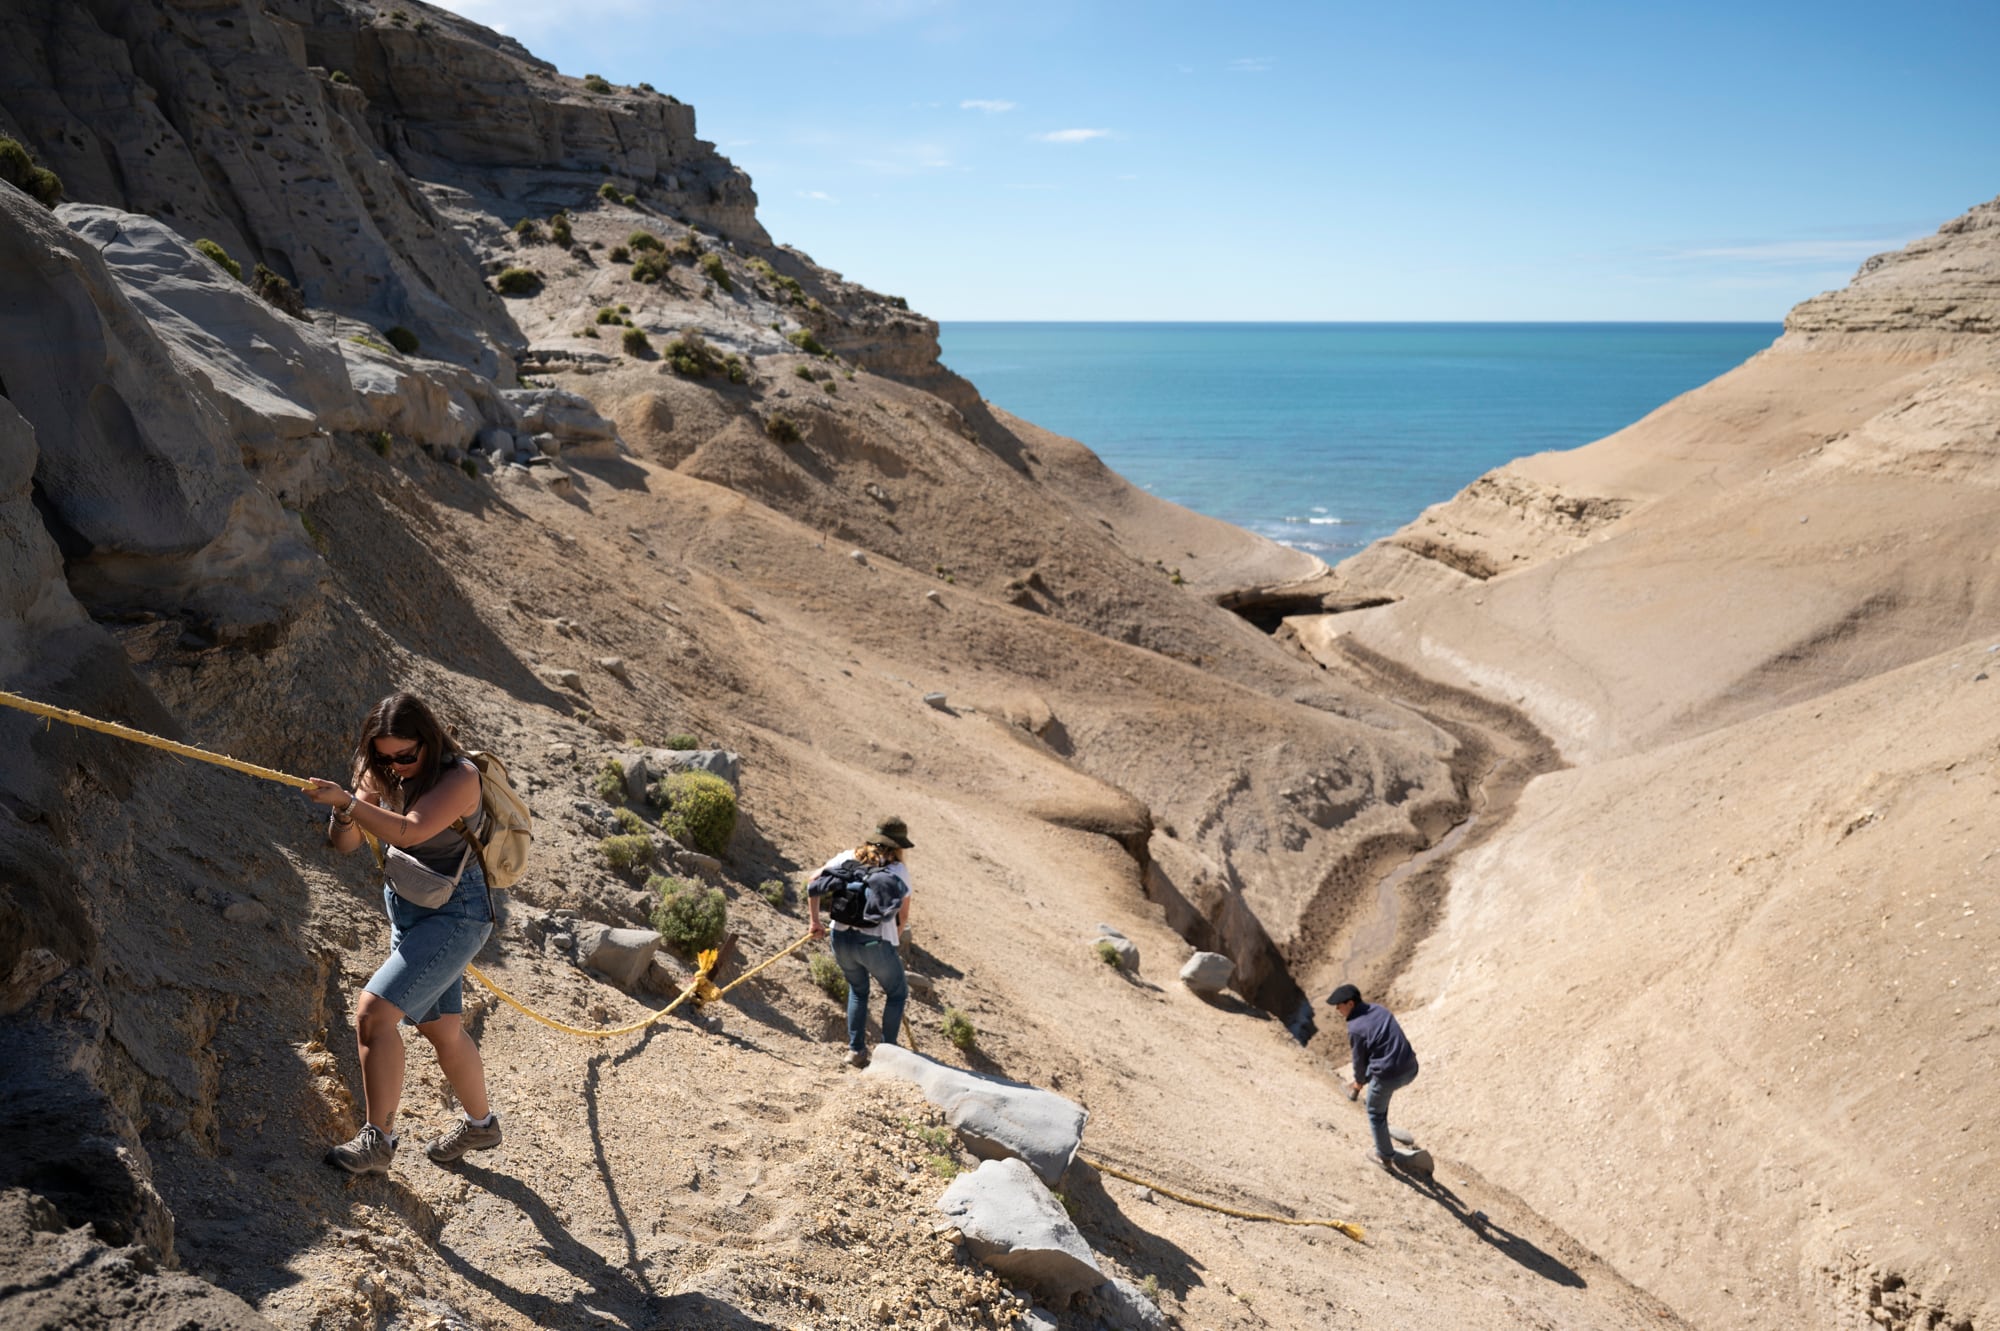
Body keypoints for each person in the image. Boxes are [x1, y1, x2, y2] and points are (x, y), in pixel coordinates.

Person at [304, 692, 504, 1175]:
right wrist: (346, 809)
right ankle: (482, 1125)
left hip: (457, 913)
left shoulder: (460, 777)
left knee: (373, 1015)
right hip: (413, 911)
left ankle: (379, 1141)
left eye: (406, 756)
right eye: (384, 757)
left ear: (428, 743)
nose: (396, 766)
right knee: (443, 1030)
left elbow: (410, 832)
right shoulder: (381, 770)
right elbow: (345, 843)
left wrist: (353, 799)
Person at [807, 816, 914, 1069]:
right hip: (875, 943)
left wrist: (815, 923)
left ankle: (855, 1051)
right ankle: (887, 1056)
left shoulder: (848, 858)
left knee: (858, 990)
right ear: (899, 846)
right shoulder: (897, 870)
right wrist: (893, 940)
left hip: (840, 937)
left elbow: (813, 882)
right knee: (897, 993)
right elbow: (904, 916)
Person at [1330, 982, 1419, 1170]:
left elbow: (1358, 1061)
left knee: (1375, 1113)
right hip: (1410, 1066)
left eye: (1339, 1005)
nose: (1337, 1009)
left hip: (1390, 1075)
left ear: (1351, 1004)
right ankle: (1385, 1136)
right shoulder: (1379, 1009)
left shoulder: (1355, 1027)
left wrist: (1359, 1082)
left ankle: (1385, 1157)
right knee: (1376, 1070)